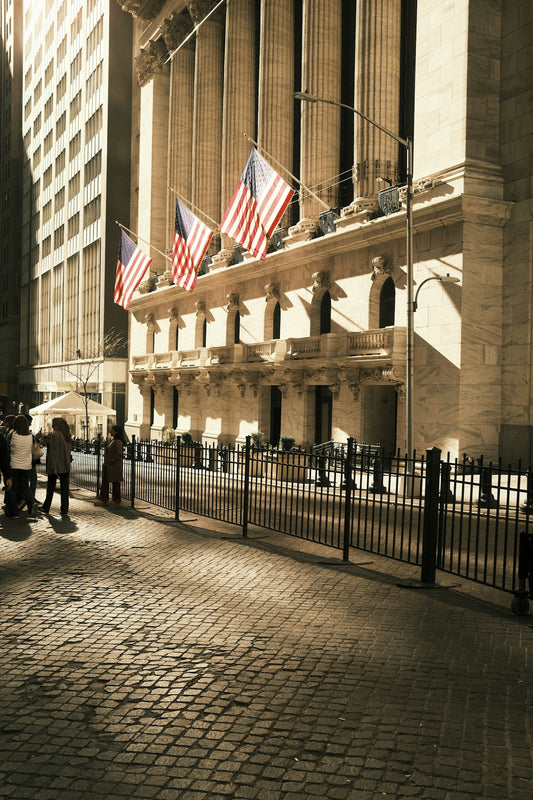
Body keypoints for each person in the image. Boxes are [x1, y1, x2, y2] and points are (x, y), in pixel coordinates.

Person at [8, 414, 39, 516]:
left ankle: (13, 510)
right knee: (25, 486)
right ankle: (32, 502)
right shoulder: (30, 437)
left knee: (13, 488)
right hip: (26, 466)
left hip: (14, 465)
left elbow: (7, 449)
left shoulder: (12, 435)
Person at [41, 417, 72, 517]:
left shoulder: (56, 435)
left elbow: (55, 452)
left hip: (56, 465)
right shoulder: (67, 435)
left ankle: (46, 507)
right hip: (65, 465)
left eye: (54, 424)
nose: (52, 426)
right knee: (64, 489)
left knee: (50, 488)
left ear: (58, 426)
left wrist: (54, 467)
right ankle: (64, 509)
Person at [94, 425, 125, 506]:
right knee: (105, 482)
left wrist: (111, 460)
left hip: (114, 466)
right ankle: (104, 498)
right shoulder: (113, 440)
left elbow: (118, 454)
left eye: (112, 430)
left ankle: (115, 500)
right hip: (108, 465)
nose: (111, 431)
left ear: (116, 432)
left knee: (115, 483)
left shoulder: (118, 442)